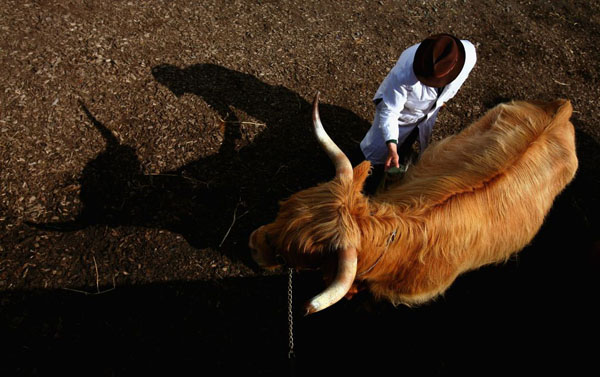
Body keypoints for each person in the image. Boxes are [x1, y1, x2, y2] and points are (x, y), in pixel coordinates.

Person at [359, 33, 477, 192]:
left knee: (411, 139)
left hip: (424, 113)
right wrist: (391, 146)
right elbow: (391, 111)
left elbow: (456, 84)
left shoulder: (468, 55)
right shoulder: (404, 71)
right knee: (375, 152)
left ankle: (396, 164)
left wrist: (441, 101)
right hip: (402, 113)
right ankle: (364, 181)